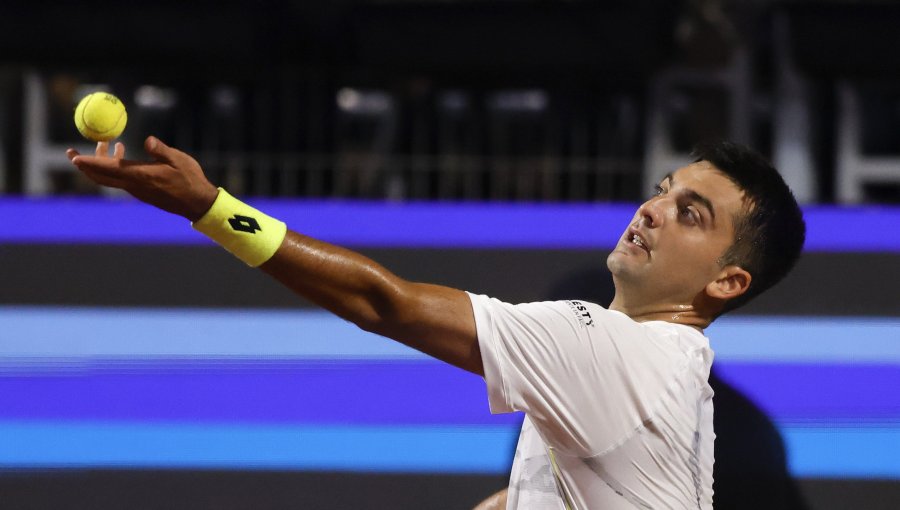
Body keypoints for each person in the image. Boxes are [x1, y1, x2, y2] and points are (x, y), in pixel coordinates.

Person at [67, 137, 805, 510]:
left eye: (690, 215)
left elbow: (382, 303)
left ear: (727, 280)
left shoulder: (608, 349)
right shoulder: (674, 373)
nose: (652, 210)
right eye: (663, 191)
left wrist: (209, 207)